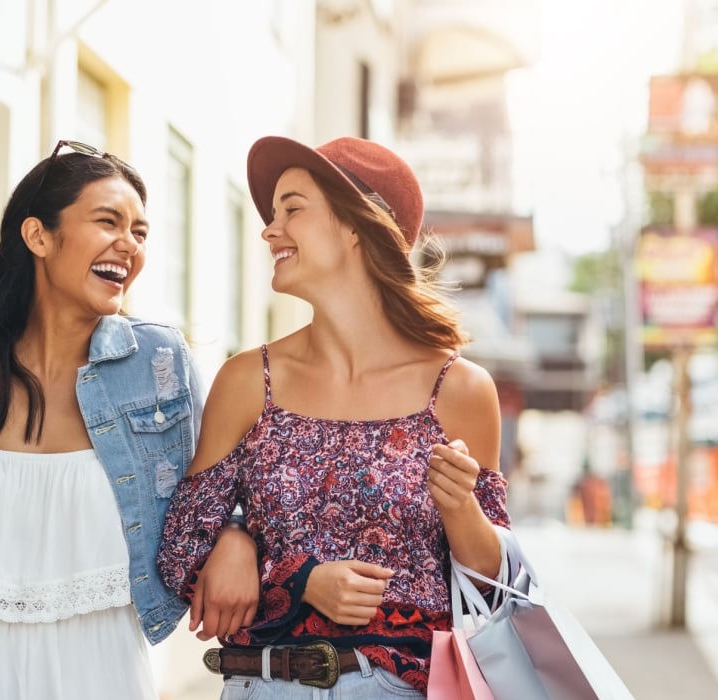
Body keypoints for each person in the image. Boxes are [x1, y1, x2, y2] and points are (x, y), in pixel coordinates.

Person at [0, 140, 258, 699]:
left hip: (98, 668)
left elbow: (215, 500)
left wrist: (237, 537)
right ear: (38, 236)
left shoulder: (159, 366)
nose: (128, 244)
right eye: (108, 221)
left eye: (140, 231)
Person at [157, 135, 512, 698]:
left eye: (292, 208)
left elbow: (494, 591)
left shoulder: (460, 390)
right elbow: (179, 555)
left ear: (357, 227)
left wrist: (460, 507)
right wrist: (277, 567)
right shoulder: (249, 381)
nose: (270, 230)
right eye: (272, 215)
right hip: (263, 685)